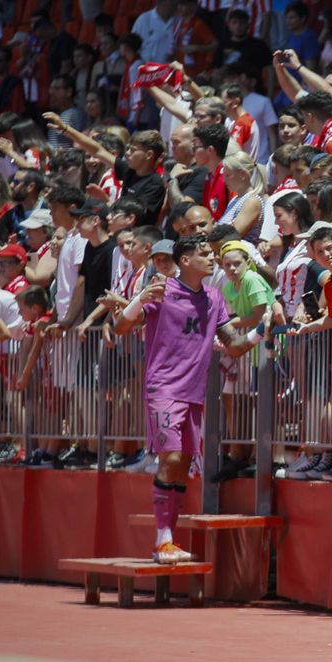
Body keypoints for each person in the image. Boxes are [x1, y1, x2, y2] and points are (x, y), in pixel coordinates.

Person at [115, 236, 254, 563]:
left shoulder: (214, 297)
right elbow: (121, 327)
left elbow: (234, 346)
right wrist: (138, 299)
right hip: (163, 388)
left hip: (194, 392)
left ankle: (167, 541)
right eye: (204, 254)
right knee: (173, 458)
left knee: (181, 467)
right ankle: (162, 540)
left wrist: (262, 330)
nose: (212, 258)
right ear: (186, 260)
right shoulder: (162, 290)